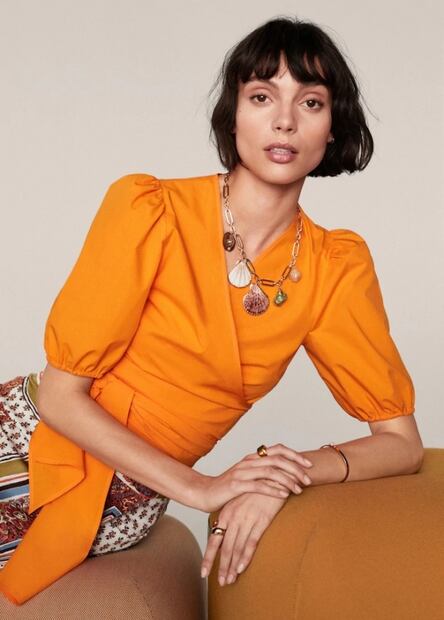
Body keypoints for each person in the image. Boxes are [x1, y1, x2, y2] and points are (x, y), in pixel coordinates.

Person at [0, 15, 423, 605]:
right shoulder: (149, 209)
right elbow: (59, 395)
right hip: (25, 444)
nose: (284, 120)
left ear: (333, 128)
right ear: (233, 116)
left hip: (128, 506)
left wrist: (282, 472)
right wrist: (201, 489)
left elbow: (402, 441)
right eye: (261, 97)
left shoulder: (335, 268)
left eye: (311, 102)